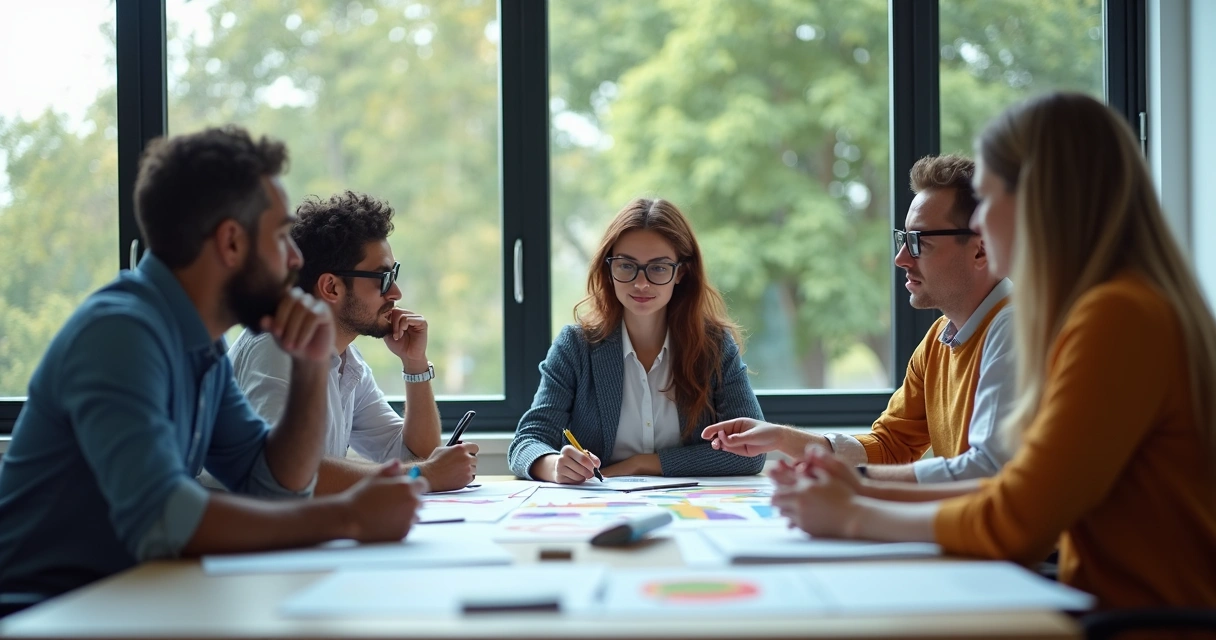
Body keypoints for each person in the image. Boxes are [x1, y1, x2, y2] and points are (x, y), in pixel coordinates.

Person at [771, 92, 1216, 609]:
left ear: (1038, 201)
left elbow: (1016, 519)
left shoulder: (1117, 316)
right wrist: (854, 487)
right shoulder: (1124, 305)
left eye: (987, 199)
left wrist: (852, 512)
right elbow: (1013, 492)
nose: (979, 224)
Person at [0, 127, 426, 613]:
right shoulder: (121, 333)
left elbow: (274, 487)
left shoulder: (201, 347)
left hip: (125, 603)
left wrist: (311, 367)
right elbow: (164, 517)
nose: (295, 260)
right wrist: (347, 518)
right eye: (281, 237)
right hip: (43, 612)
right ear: (231, 242)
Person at [703, 155, 1017, 483]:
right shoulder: (940, 340)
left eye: (918, 242)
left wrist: (852, 485)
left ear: (980, 250)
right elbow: (890, 446)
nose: (900, 258)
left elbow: (986, 472)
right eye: (903, 239)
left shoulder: (1015, 332)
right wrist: (783, 438)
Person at [229, 191, 477, 493]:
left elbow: (416, 455)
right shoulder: (276, 348)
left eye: (394, 274)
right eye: (383, 278)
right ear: (331, 287)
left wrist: (415, 364)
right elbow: (286, 472)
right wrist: (423, 475)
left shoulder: (347, 360)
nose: (396, 293)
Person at [508, 198, 764, 483]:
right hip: (598, 503)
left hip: (687, 504)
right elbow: (527, 442)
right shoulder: (575, 346)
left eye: (658, 268)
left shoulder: (714, 346)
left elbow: (752, 450)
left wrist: (641, 464)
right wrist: (555, 466)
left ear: (681, 272)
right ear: (609, 269)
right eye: (626, 266)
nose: (641, 283)